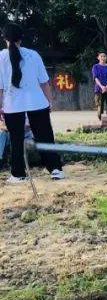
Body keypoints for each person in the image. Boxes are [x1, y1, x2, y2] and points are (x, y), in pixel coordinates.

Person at [0, 24, 63, 182]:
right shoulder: (33, 55)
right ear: (21, 38)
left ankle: (18, 174)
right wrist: (49, 102)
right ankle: (56, 169)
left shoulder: (0, 57)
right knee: (45, 137)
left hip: (12, 106)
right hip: (37, 103)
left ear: (5, 39)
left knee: (16, 140)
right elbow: (44, 83)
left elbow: (0, 88)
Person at [91, 52, 107, 120]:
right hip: (99, 89)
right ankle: (100, 120)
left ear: (106, 58)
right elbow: (95, 78)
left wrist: (106, 87)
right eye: (101, 56)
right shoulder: (95, 67)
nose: (103, 58)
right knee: (99, 106)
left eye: (104, 56)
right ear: (98, 58)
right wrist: (102, 87)